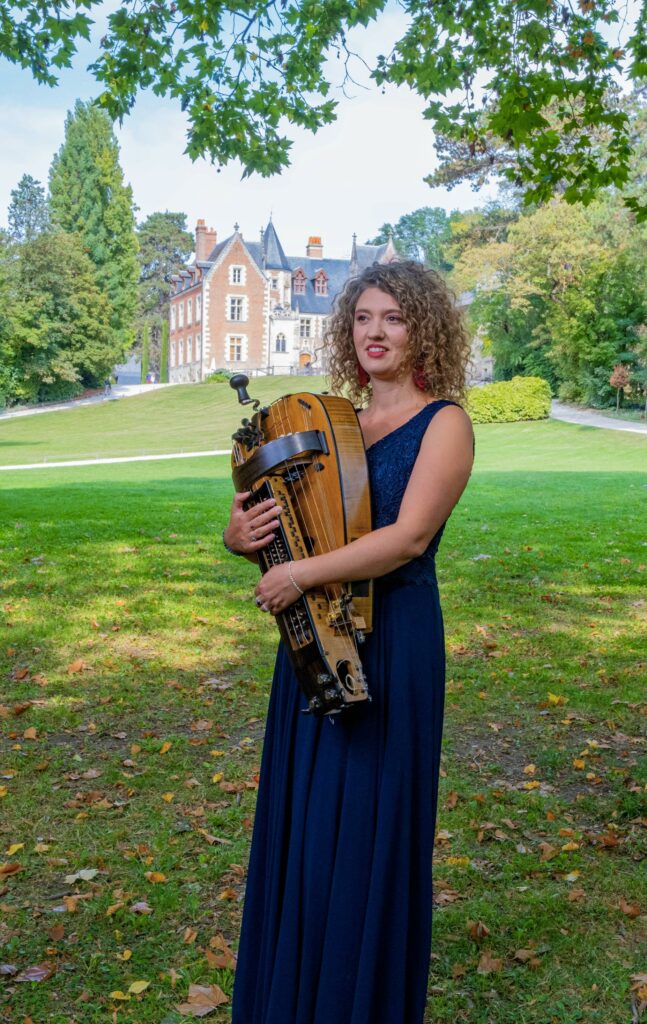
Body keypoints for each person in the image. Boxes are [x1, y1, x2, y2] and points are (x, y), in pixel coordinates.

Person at [222, 260, 474, 1024]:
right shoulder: (331, 424)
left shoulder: (445, 423)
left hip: (393, 640)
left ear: (421, 329)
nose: (375, 332)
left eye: (393, 318)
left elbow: (408, 537)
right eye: (363, 317)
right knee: (305, 822)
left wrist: (299, 574)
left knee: (367, 823)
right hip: (309, 640)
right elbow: (280, 524)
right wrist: (240, 536)